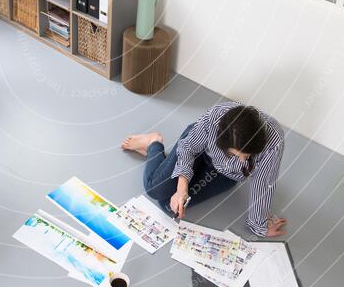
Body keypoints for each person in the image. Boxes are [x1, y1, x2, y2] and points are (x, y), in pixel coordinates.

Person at [121, 101, 286, 237]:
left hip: (223, 175)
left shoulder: (274, 141)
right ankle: (153, 143)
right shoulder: (217, 115)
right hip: (198, 152)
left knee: (168, 206)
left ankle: (163, 161)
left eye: (248, 157)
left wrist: (259, 224)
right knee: (154, 189)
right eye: (237, 155)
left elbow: (263, 183)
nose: (243, 160)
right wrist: (181, 189)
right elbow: (188, 149)